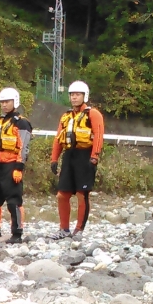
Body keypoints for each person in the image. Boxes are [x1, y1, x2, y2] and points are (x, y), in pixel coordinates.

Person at [50, 81, 105, 240]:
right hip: (69, 156)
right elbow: (58, 139)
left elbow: (99, 135)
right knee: (62, 195)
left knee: (82, 194)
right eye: (72, 95)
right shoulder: (66, 116)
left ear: (84, 96)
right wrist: (54, 159)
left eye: (77, 94)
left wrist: (94, 156)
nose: (74, 97)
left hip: (85, 156)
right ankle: (64, 229)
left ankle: (79, 230)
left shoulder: (93, 114)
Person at [0, 88, 31, 243]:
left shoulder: (22, 123)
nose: (4, 105)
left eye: (7, 102)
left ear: (15, 102)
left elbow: (24, 147)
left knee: (13, 201)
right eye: (2, 102)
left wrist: (19, 167)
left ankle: (16, 234)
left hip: (11, 166)